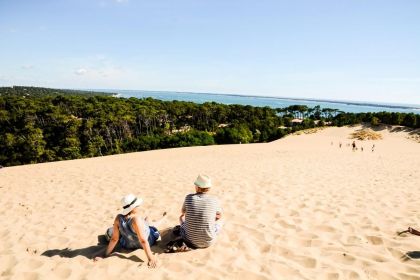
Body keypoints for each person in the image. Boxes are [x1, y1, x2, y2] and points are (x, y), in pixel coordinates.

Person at [94, 194, 164, 268]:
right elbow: (143, 240)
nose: (138, 206)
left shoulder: (118, 218)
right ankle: (162, 219)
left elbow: (114, 239)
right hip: (147, 241)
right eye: (137, 205)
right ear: (133, 208)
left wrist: (105, 255)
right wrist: (151, 258)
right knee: (148, 220)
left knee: (145, 221)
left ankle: (157, 221)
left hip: (127, 245)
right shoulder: (135, 220)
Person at [179, 175, 222, 249]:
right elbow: (219, 216)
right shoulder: (214, 200)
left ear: (197, 187)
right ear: (209, 189)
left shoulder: (189, 197)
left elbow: (183, 212)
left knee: (181, 220)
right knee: (219, 224)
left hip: (189, 241)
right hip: (208, 242)